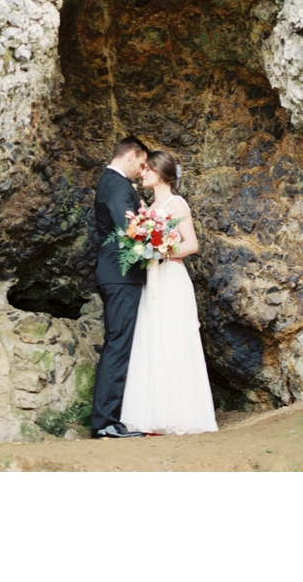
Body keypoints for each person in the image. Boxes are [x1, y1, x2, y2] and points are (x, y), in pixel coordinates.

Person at [120, 150, 218, 435]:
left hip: (170, 277)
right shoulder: (149, 207)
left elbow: (192, 244)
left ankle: (181, 416)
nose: (142, 173)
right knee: (153, 340)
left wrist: (162, 251)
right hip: (153, 278)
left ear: (161, 172)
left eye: (148, 169)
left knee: (172, 340)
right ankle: (153, 416)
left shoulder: (176, 203)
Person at [91, 136, 150, 439]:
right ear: (131, 156)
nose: (142, 171)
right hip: (119, 274)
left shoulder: (113, 183)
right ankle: (104, 423)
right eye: (141, 164)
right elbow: (131, 229)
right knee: (118, 344)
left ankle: (108, 418)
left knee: (120, 343)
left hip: (118, 274)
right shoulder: (115, 185)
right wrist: (157, 241)